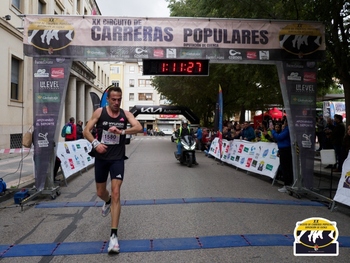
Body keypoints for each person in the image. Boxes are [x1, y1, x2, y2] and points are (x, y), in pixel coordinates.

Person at [83, 86, 142, 254]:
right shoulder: (100, 112)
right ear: (108, 99)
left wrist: (122, 131)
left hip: (117, 158)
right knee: (101, 192)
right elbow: (86, 130)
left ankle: (113, 237)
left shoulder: (125, 114)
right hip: (101, 158)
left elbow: (138, 128)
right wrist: (96, 143)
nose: (116, 102)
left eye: (119, 99)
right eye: (113, 99)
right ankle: (106, 201)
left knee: (116, 192)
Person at [271, 118, 293, 193]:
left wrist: (272, 131)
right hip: (283, 149)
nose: (283, 124)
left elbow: (279, 137)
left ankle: (287, 185)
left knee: (286, 168)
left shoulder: (287, 130)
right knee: (285, 168)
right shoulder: (286, 129)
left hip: (286, 150)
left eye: (284, 123)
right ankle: (288, 184)